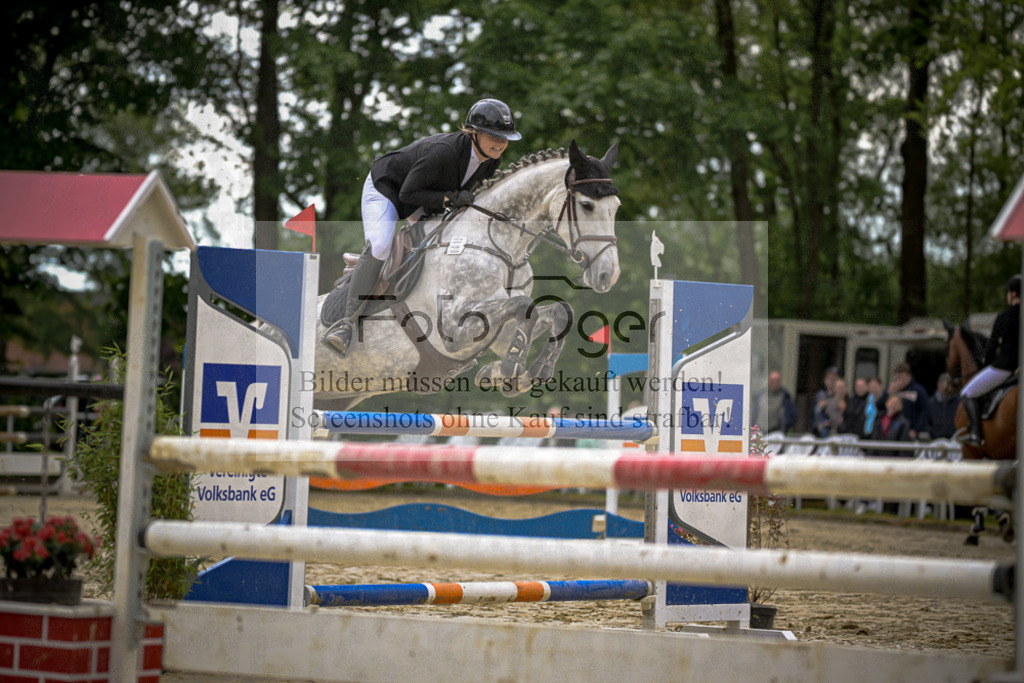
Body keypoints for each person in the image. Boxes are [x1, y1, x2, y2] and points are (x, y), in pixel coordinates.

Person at [323, 98, 522, 357]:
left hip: (424, 195)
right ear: (474, 133)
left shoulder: (491, 159)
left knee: (448, 245)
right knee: (382, 246)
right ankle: (345, 324)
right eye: (495, 136)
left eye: (506, 137)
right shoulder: (444, 151)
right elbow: (407, 194)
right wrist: (449, 199)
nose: (502, 142)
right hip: (388, 188)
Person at [961, 274, 1021, 444]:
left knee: (968, 393)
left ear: (1014, 294)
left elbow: (991, 348)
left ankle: (976, 435)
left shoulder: (1004, 317)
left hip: (1004, 368)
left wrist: (985, 366)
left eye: (1008, 293)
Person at [886, 362, 929, 439]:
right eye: (897, 379)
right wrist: (887, 393)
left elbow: (924, 412)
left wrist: (916, 429)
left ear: (909, 377)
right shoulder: (893, 390)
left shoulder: (918, 391)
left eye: (901, 378)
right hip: (893, 431)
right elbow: (880, 406)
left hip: (910, 432)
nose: (899, 381)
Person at [921, 372, 960, 440]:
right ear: (938, 385)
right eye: (943, 385)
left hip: (955, 440)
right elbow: (926, 421)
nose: (945, 388)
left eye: (948, 385)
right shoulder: (930, 403)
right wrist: (933, 432)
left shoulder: (958, 402)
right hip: (936, 440)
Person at [810, 366, 840, 437]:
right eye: (829, 378)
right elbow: (817, 412)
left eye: (834, 378)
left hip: (837, 430)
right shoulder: (820, 395)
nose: (831, 381)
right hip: (822, 430)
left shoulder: (841, 396)